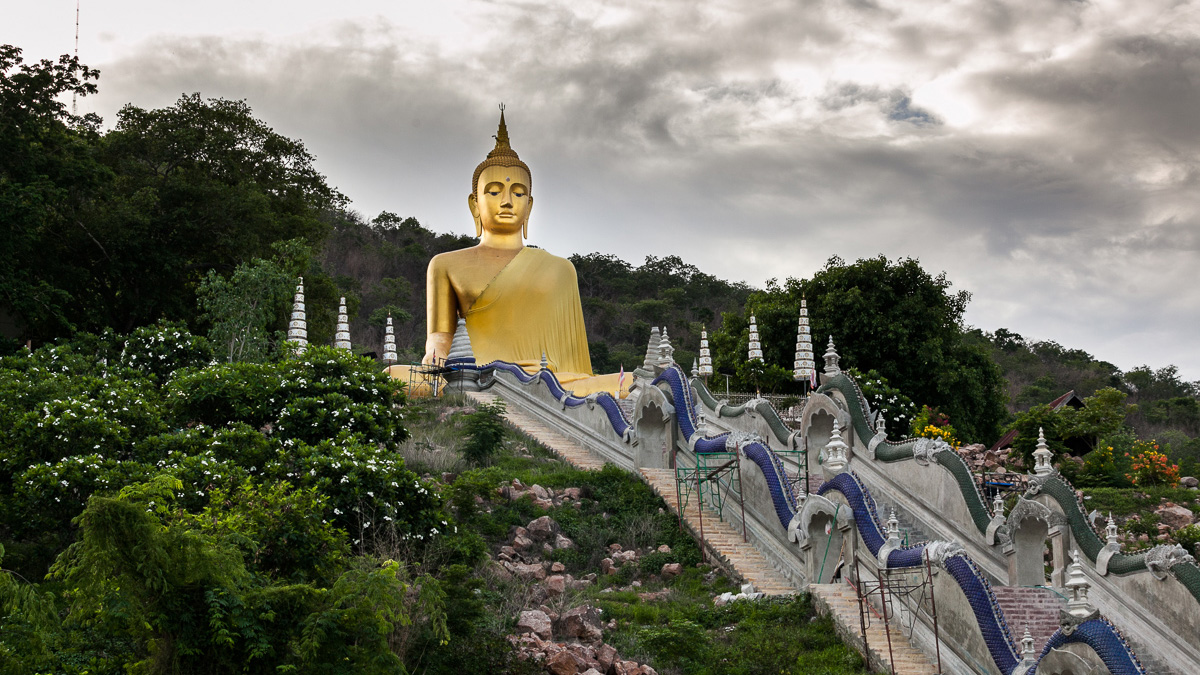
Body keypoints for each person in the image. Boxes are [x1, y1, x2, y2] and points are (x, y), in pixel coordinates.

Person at [420, 107, 626, 397]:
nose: (507, 201)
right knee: (392, 376)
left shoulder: (560, 269)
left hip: (549, 380)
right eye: (493, 191)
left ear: (529, 205)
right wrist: (435, 358)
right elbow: (440, 341)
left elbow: (574, 364)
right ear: (474, 204)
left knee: (629, 382)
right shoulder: (445, 264)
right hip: (473, 375)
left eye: (518, 193)